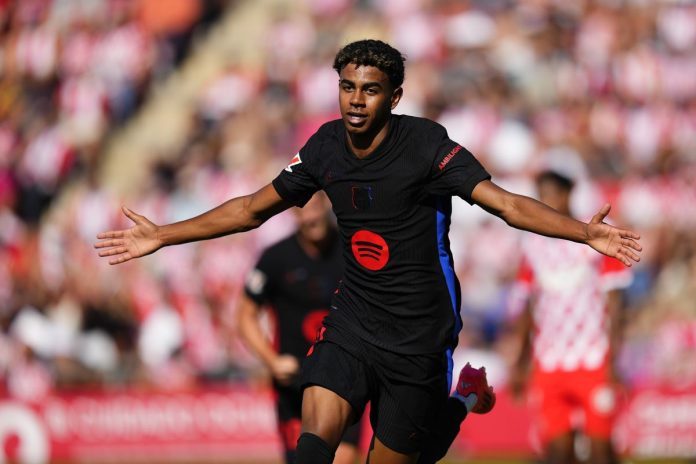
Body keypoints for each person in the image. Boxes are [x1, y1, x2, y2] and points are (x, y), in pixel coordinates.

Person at [94, 40, 641, 464]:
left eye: (370, 89)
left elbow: (507, 205)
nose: (356, 100)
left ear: (394, 97)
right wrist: (164, 233)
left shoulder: (428, 146)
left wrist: (583, 233)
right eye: (347, 87)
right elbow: (250, 209)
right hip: (353, 322)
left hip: (419, 332)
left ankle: (466, 397)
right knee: (312, 448)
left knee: (412, 454)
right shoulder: (325, 146)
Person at [508, 170, 633, 464]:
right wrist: (520, 362)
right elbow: (527, 306)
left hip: (592, 358)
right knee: (557, 454)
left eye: (551, 193)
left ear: (567, 195)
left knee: (601, 453)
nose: (546, 200)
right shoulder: (531, 244)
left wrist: (614, 359)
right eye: (542, 195)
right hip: (549, 361)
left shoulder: (595, 236)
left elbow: (615, 303)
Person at [237, 192, 363, 464]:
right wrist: (271, 362)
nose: (311, 216)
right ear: (293, 213)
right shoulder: (275, 258)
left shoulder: (351, 248)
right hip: (294, 381)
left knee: (345, 457)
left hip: (345, 374)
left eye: (316, 206)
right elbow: (245, 315)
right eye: (303, 209)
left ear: (327, 204)